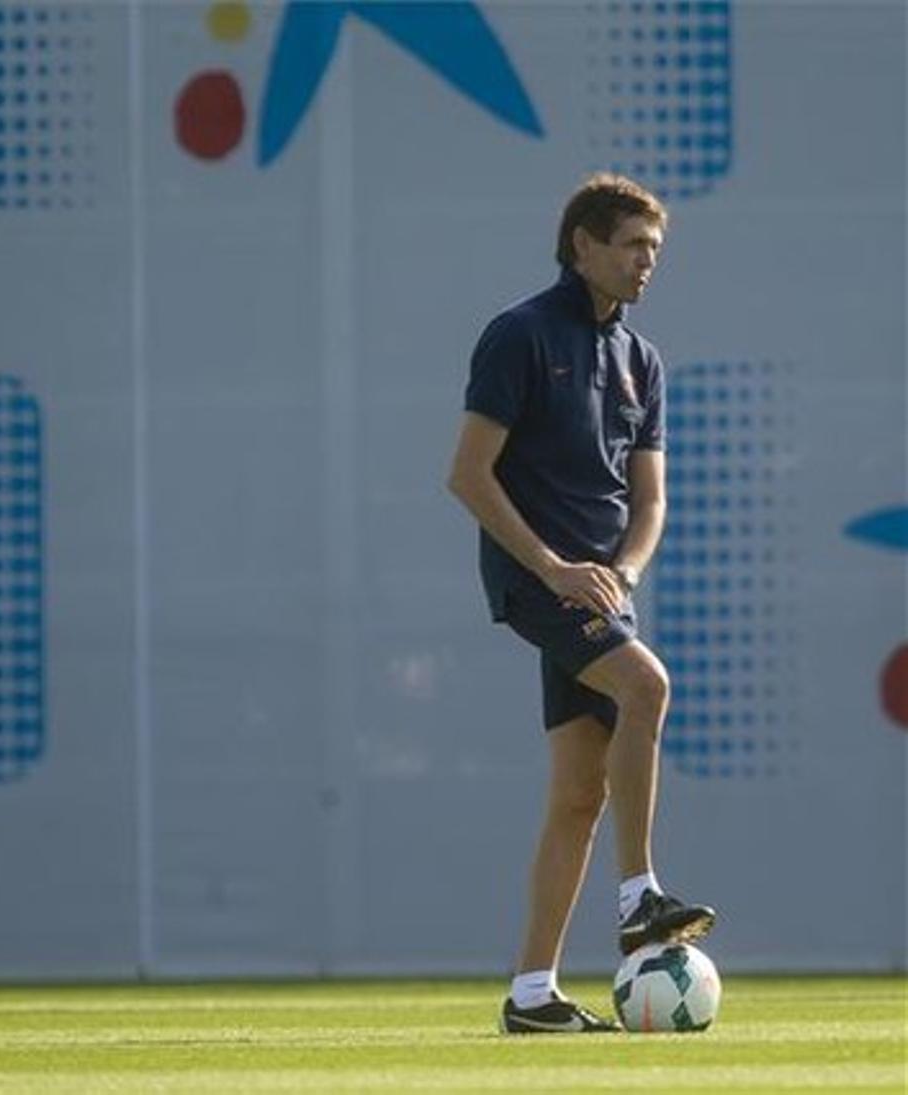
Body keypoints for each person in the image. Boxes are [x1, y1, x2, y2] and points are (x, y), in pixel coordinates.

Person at [446, 173, 716, 1034]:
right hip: (540, 578)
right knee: (648, 687)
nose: (647, 264)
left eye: (656, 250)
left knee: (577, 794)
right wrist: (554, 566)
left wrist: (626, 570)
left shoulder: (642, 359)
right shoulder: (520, 335)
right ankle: (640, 896)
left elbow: (652, 503)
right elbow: (468, 475)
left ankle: (532, 995)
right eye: (633, 245)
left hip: (603, 590)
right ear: (583, 247)